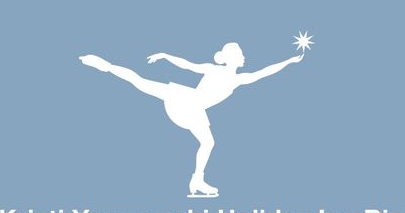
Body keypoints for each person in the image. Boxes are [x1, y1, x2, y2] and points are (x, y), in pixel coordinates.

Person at [78, 43, 304, 196]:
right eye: (241, 53)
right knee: (142, 83)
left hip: (191, 107)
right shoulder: (221, 72)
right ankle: (105, 65)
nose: (244, 56)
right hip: (188, 101)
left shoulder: (238, 78)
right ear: (232, 57)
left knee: (143, 84)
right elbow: (187, 64)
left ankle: (197, 180)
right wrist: (166, 55)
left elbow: (265, 72)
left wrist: (289, 61)